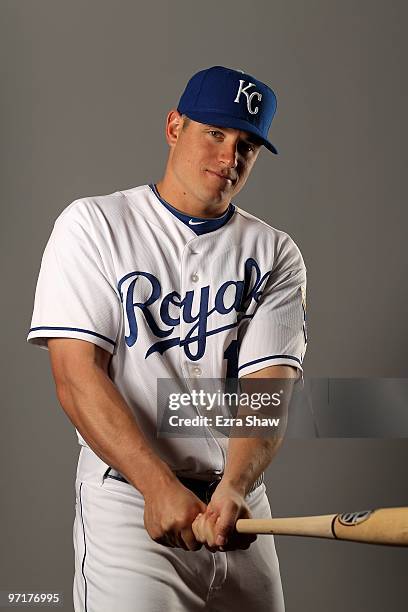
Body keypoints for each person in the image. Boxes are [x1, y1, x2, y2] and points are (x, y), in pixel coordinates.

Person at [27, 65, 307, 611]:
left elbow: (267, 391)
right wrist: (156, 486)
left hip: (236, 504)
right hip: (130, 500)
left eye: (247, 145)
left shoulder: (275, 252)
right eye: (216, 133)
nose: (230, 158)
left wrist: (235, 486)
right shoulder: (95, 224)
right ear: (174, 126)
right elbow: (76, 376)